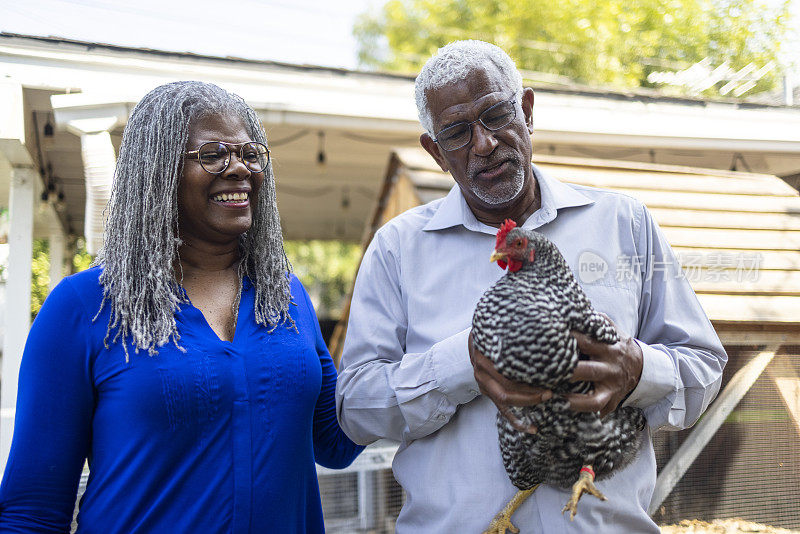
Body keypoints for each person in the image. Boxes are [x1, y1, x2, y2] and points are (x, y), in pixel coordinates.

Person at [336, 40, 727, 532]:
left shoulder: (623, 223)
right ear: (435, 152)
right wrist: (461, 365)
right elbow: (355, 410)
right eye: (457, 132)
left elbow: (705, 368)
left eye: (497, 114)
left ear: (527, 110)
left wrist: (638, 369)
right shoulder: (398, 249)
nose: (483, 143)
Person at [0, 81, 362, 533]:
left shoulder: (285, 297)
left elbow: (334, 441)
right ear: (158, 170)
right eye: (213, 154)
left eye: (251, 154)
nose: (239, 168)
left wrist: (409, 341)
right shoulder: (85, 307)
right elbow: (30, 513)